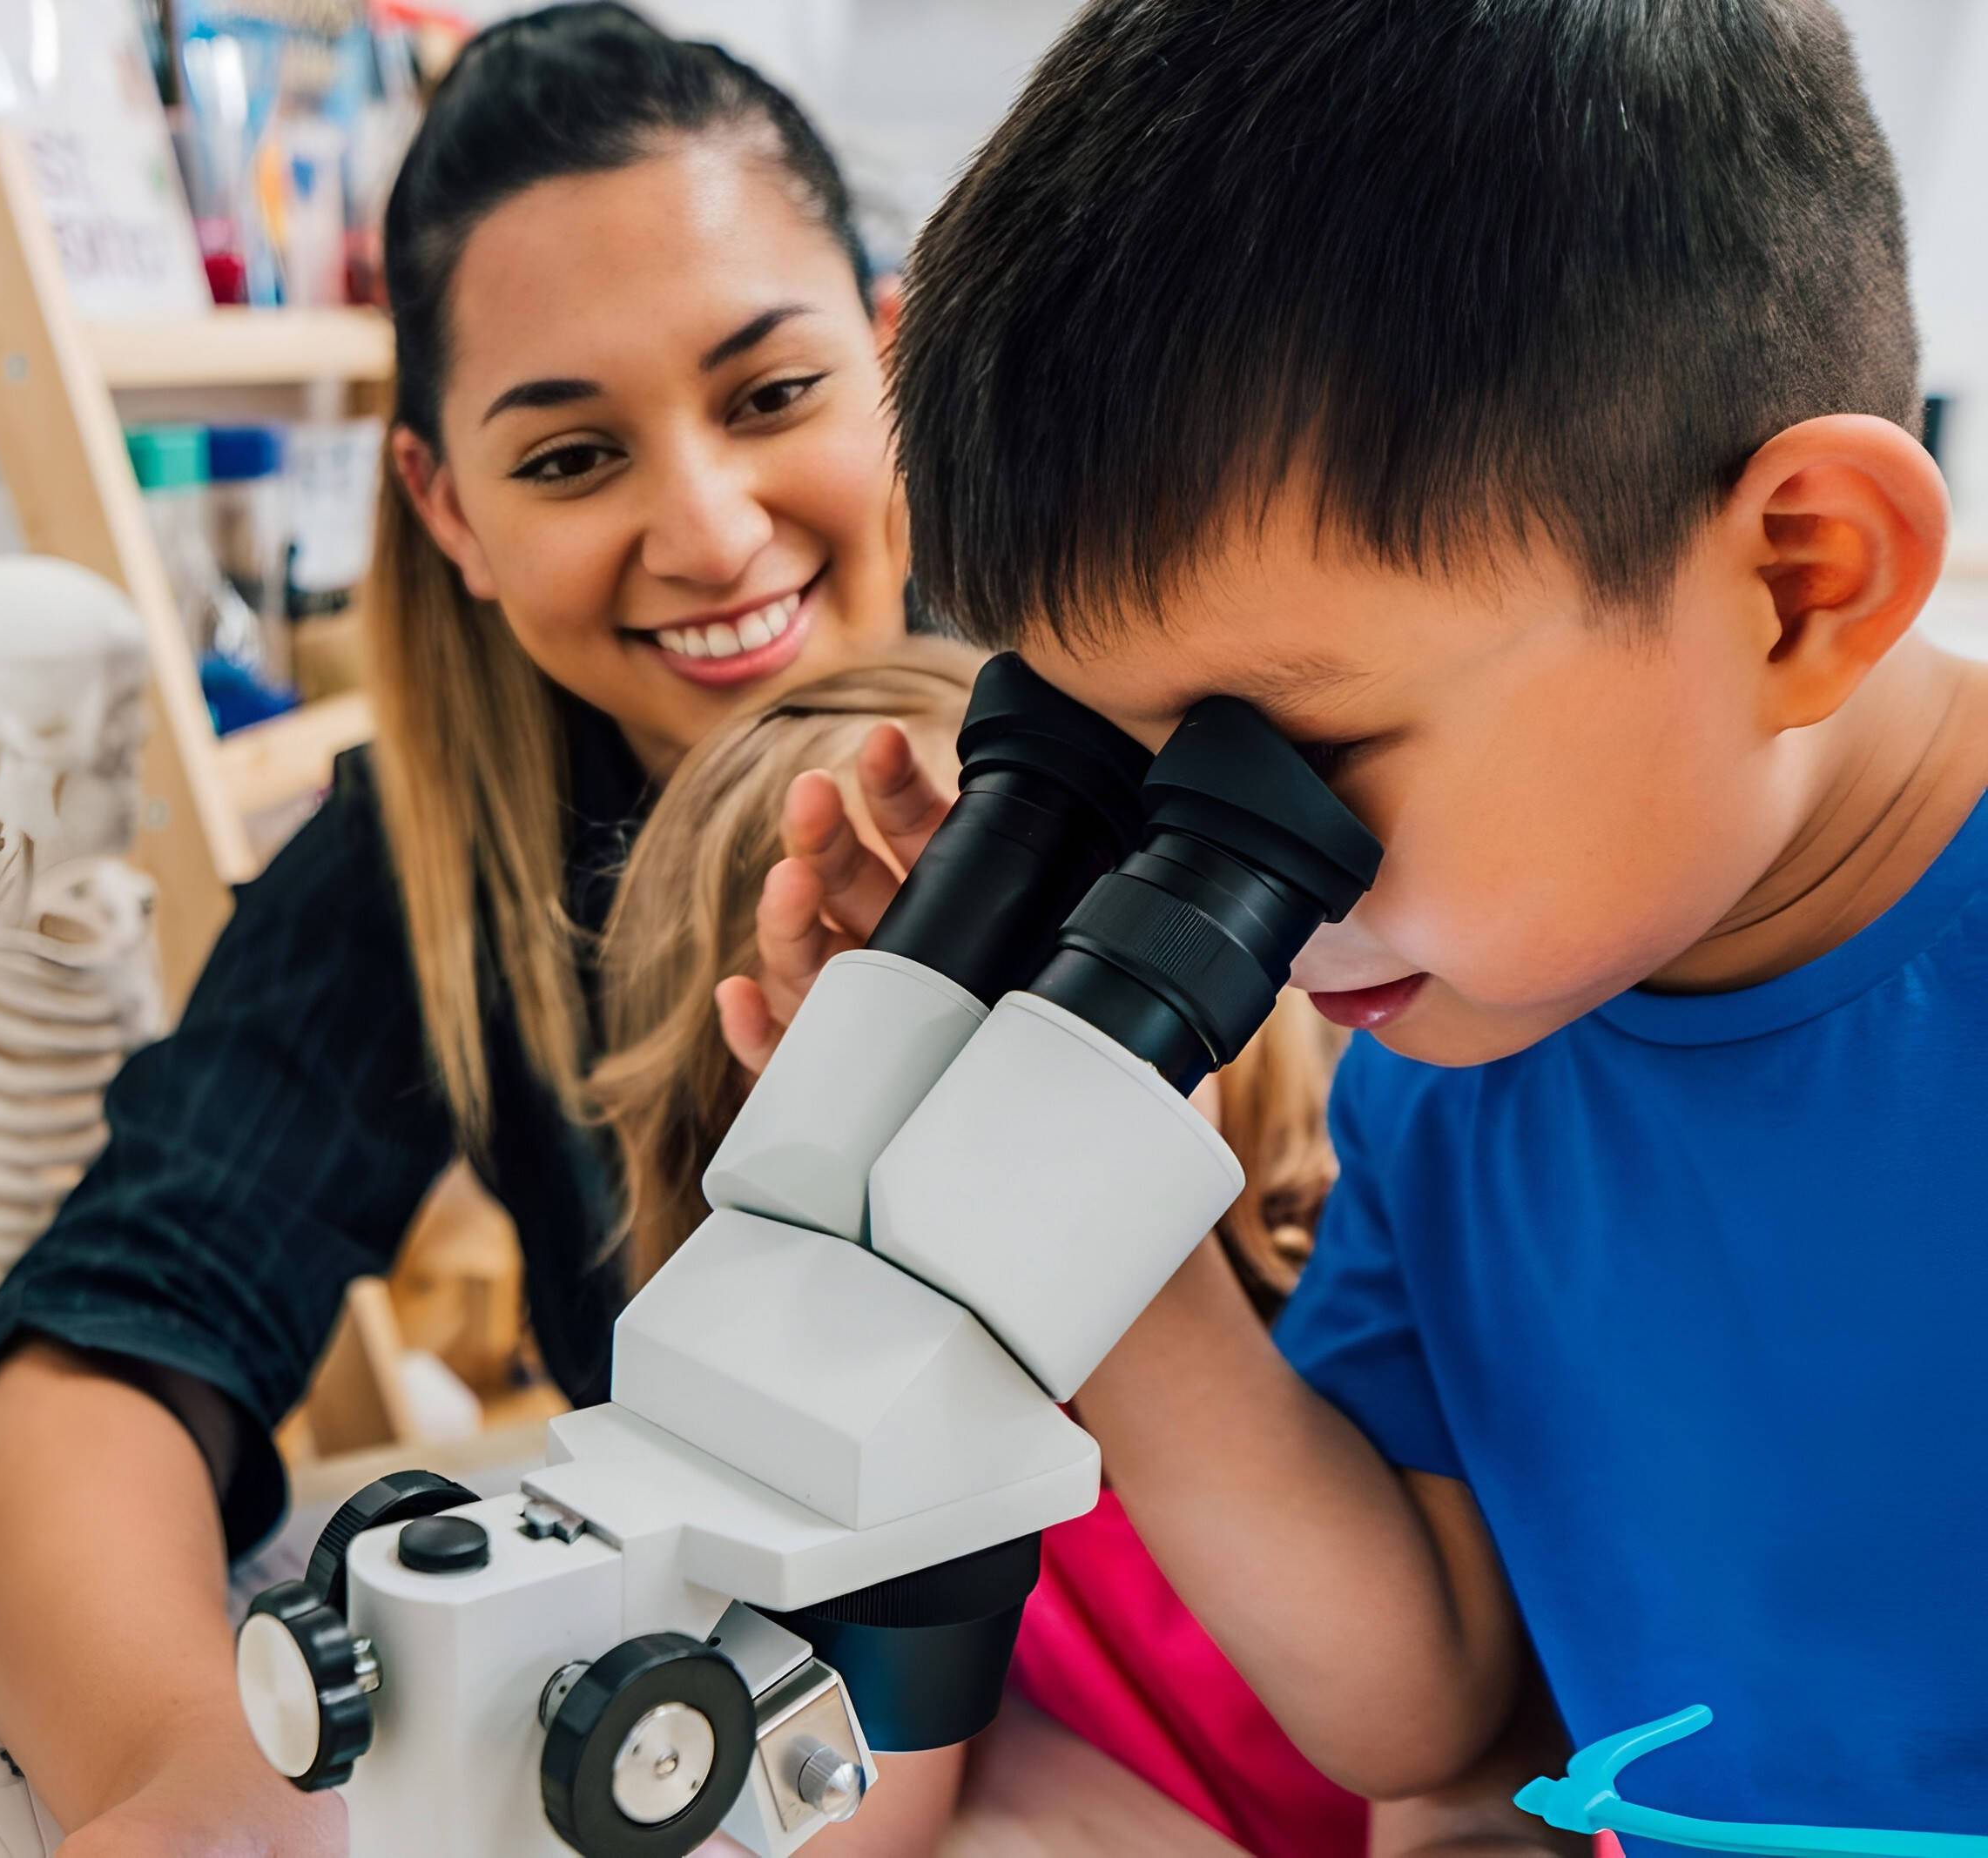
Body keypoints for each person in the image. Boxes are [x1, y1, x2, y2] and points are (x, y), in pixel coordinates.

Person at [747, 2, 1985, 1851]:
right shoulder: (1461, 1034)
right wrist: (1084, 1219)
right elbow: (1421, 1704)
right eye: (1132, 775)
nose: (1240, 877)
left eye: (1297, 756)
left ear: (1802, 578)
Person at [0, 7, 914, 1850]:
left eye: (769, 395)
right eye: (568, 458)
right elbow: (107, 1344)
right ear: (444, 506)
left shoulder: (1120, 705)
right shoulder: (440, 849)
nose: (706, 532)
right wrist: (192, 1775)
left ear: (886, 357)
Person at [598, 644, 1573, 1858]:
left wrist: (1098, 1196)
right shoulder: (841, 1458)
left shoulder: (1363, 1295)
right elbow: (841, 1822)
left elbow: (1412, 1718)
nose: (990, 1078)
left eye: (1088, 951)